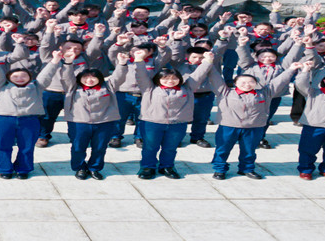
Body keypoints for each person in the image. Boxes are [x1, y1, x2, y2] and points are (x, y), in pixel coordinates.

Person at [211, 62, 300, 180]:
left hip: (254, 127)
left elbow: (279, 81)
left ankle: (247, 169)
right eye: (243, 82)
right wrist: (208, 62)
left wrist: (291, 69)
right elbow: (215, 78)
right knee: (222, 149)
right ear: (235, 83)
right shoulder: (225, 92)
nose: (247, 85)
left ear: (256, 83)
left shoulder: (264, 93)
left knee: (249, 150)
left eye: (251, 82)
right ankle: (219, 169)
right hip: (228, 126)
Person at [135, 51, 216, 180]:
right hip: (152, 123)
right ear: (158, 79)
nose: (170, 81)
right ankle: (147, 167)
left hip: (177, 124)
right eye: (166, 78)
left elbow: (198, 75)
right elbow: (141, 75)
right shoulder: (149, 88)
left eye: (174, 78)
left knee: (170, 148)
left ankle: (167, 166)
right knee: (150, 147)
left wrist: (207, 61)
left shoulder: (187, 88)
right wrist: (139, 60)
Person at [0, 55, 52, 179]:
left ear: (30, 77)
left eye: (24, 76)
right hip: (4, 120)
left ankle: (23, 168)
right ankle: (4, 169)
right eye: (15, 76)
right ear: (8, 78)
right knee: (3, 145)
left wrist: (54, 61)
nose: (20, 78)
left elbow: (46, 75)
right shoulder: (1, 86)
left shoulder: (36, 87)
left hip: (29, 120)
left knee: (27, 146)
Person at [63, 69, 122, 180]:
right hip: (79, 123)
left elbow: (119, 76)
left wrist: (122, 64)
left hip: (104, 122)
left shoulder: (108, 87)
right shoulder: (73, 87)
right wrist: (68, 63)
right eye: (85, 77)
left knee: (100, 147)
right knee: (78, 147)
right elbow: (67, 75)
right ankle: (80, 168)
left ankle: (94, 168)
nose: (89, 80)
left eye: (93, 77)